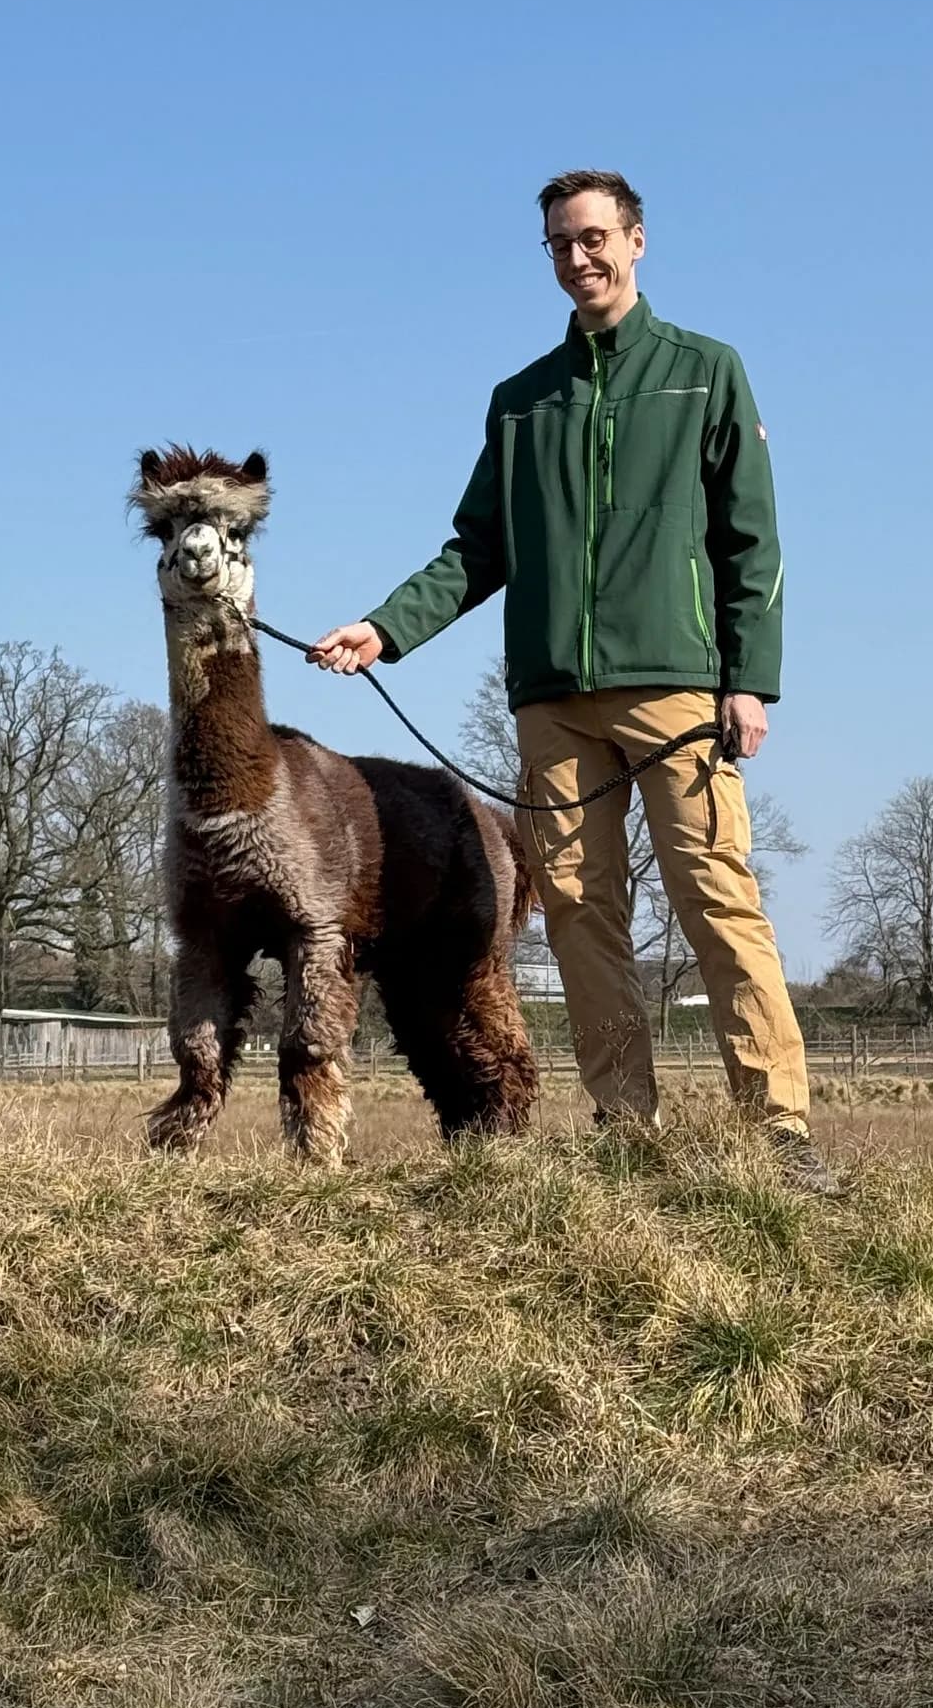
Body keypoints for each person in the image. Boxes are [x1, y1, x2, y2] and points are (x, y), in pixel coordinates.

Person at [309, 170, 837, 1193]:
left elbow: (752, 540)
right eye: (559, 242)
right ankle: (625, 1125)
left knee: (718, 900)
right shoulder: (522, 402)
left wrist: (750, 679)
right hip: (552, 699)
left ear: (637, 242)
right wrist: (384, 628)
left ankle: (777, 1129)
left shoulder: (705, 372)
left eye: (595, 236)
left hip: (679, 690)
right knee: (583, 912)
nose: (578, 256)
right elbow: (475, 550)